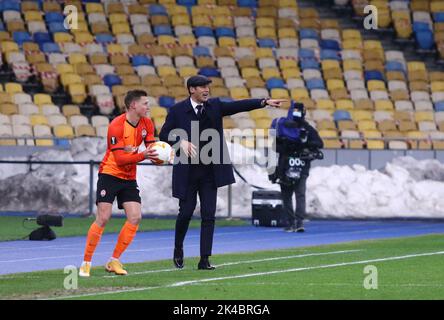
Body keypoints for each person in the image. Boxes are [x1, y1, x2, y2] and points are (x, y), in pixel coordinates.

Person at [159, 75, 286, 270]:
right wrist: (180, 141)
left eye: (207, 86)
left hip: (210, 171)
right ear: (191, 89)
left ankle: (204, 259)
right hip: (187, 171)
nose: (206, 90)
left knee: (209, 215)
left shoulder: (215, 106)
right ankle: (178, 247)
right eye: (202, 86)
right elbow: (164, 134)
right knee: (185, 212)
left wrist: (263, 102)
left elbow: (239, 106)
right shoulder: (177, 111)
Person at [79, 90, 159, 277]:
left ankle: (114, 260)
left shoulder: (147, 123)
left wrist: (161, 155)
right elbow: (121, 159)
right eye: (145, 103)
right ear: (133, 105)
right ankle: (86, 262)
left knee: (135, 217)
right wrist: (143, 155)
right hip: (110, 174)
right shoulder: (116, 125)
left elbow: (151, 148)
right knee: (103, 217)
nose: (148, 107)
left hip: (129, 178)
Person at [269, 102, 323, 232]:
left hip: (300, 165)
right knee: (290, 195)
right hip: (285, 164)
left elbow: (319, 143)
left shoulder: (307, 129)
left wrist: (305, 144)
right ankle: (292, 222)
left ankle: (297, 222)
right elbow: (274, 147)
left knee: (299, 194)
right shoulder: (282, 128)